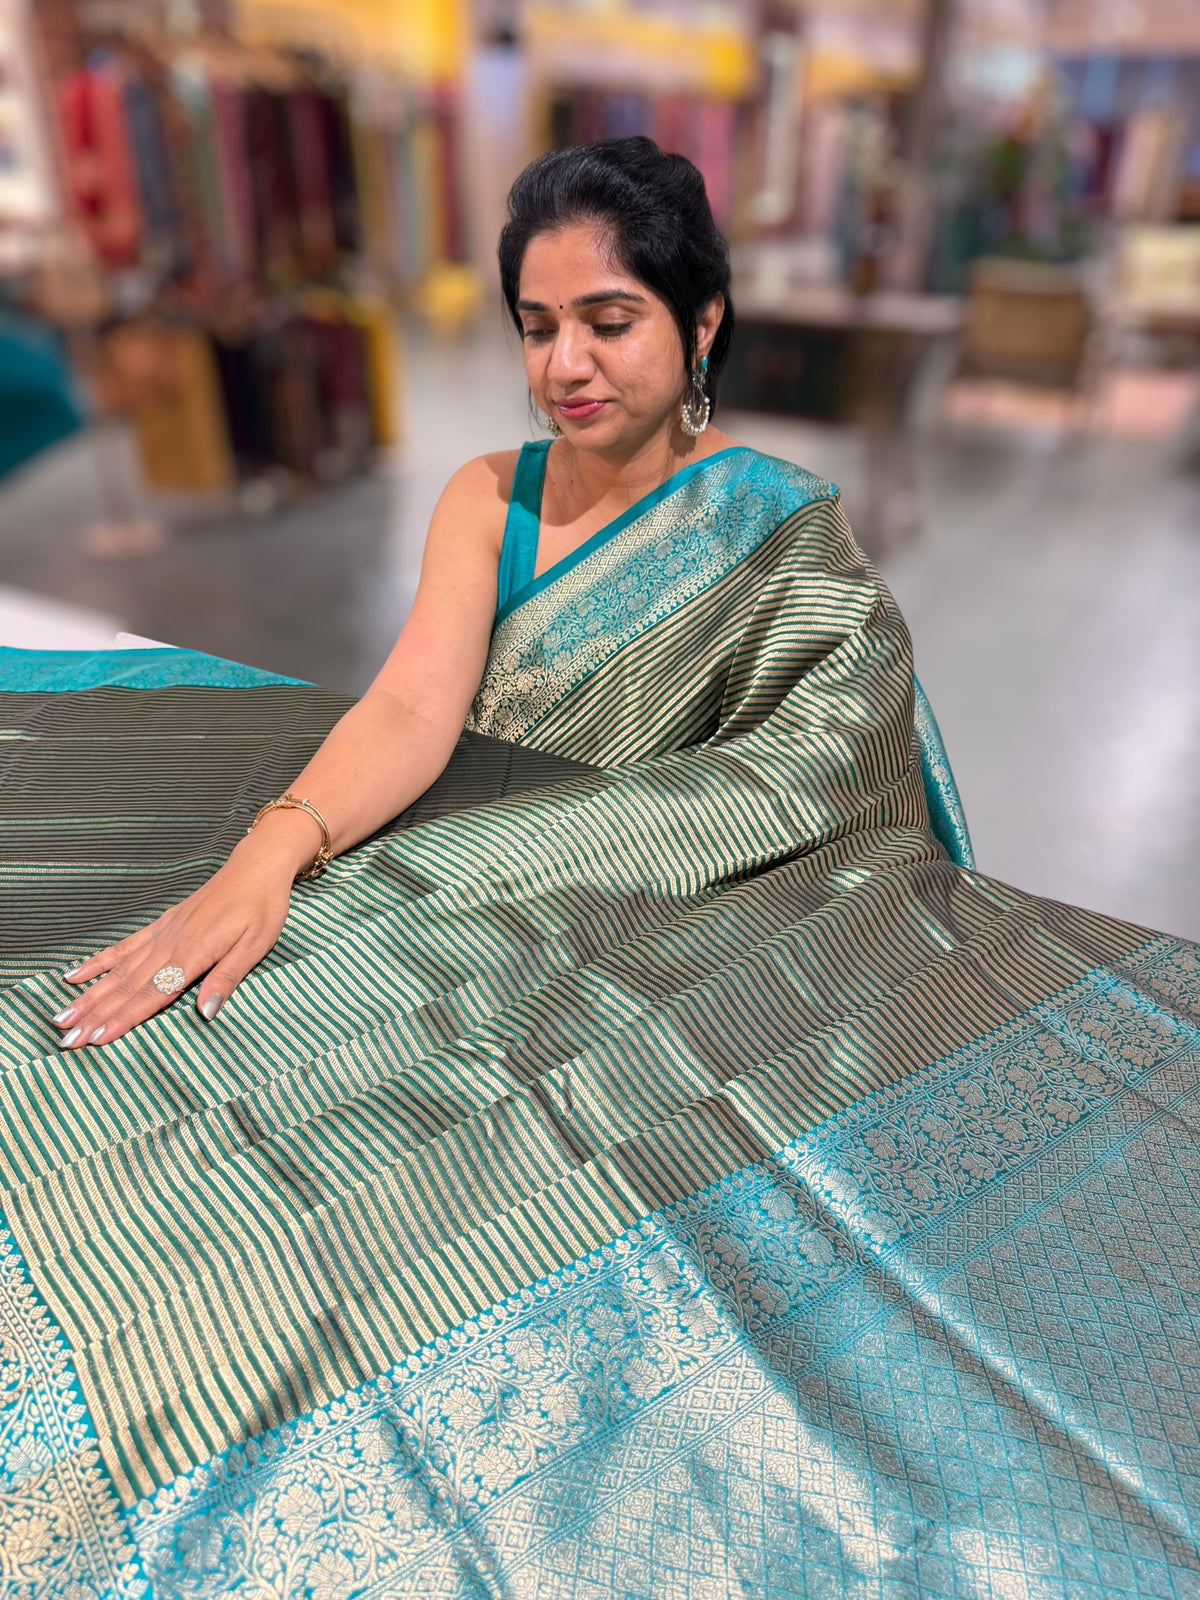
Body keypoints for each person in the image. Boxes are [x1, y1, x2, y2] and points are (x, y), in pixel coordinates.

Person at [1, 139, 1197, 1597]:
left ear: (698, 325)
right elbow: (404, 713)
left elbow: (822, 765)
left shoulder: (776, 531)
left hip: (661, 927)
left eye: (609, 320)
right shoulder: (487, 501)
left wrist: (548, 849)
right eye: (536, 323)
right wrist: (275, 850)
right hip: (477, 911)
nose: (566, 362)